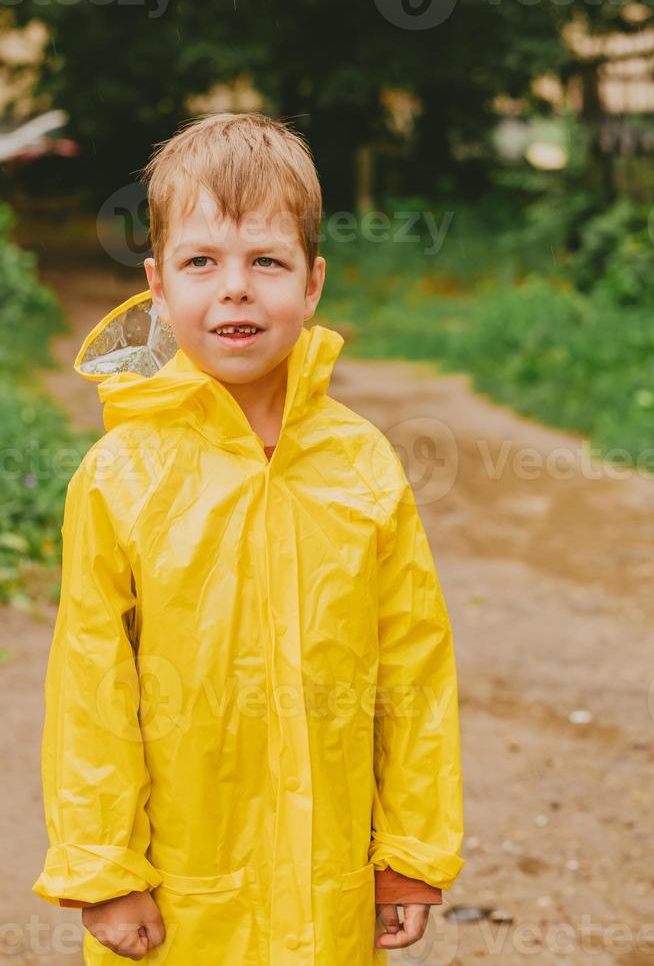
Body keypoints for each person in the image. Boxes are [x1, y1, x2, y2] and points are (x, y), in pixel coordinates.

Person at [32, 112, 465, 965]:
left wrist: (411, 855)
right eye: (203, 262)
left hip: (327, 892)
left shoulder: (361, 464)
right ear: (158, 285)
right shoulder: (121, 476)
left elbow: (413, 667)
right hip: (181, 900)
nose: (235, 288)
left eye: (266, 260)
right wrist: (105, 869)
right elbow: (90, 684)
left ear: (311, 285)